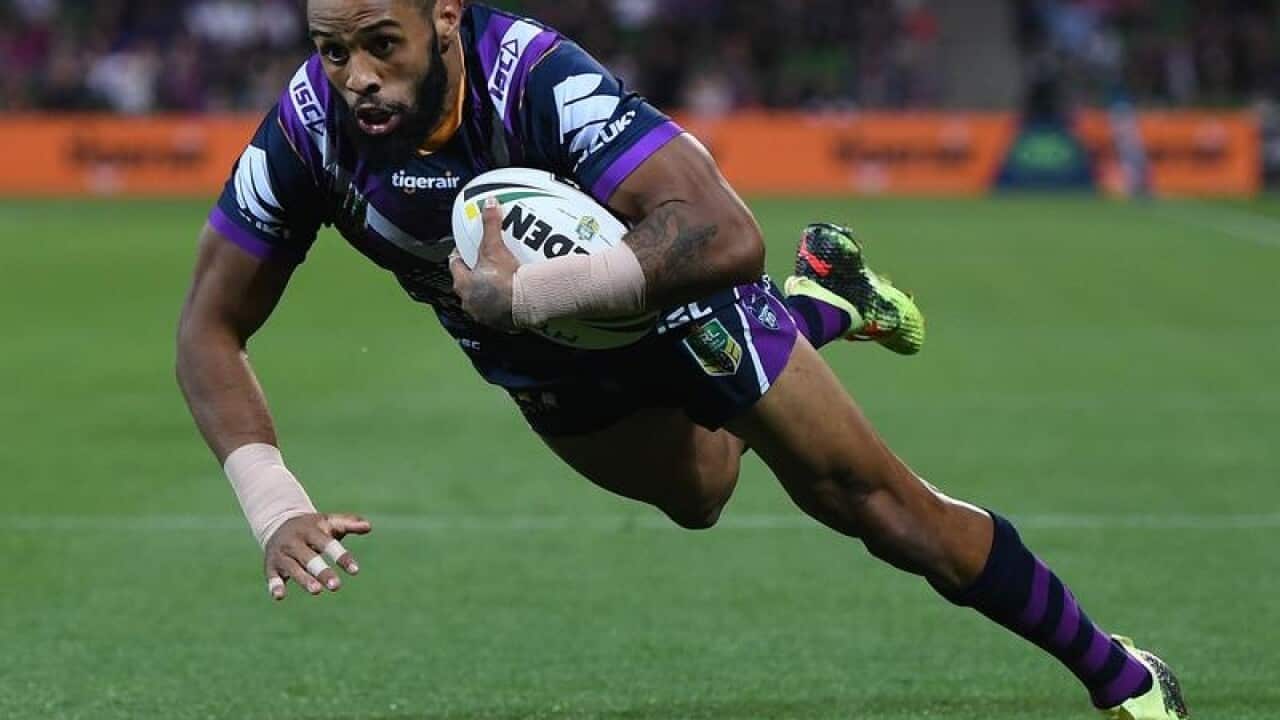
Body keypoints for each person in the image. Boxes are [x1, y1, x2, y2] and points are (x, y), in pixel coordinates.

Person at [175, 2, 1187, 717]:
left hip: (678, 307)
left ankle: (1120, 678)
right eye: (329, 47)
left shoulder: (535, 77)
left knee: (874, 506)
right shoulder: (305, 136)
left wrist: (522, 296)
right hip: (546, 373)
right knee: (699, 492)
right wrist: (275, 502)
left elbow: (720, 231)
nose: (353, 75)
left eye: (379, 44)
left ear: (445, 16)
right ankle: (826, 301)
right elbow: (206, 329)